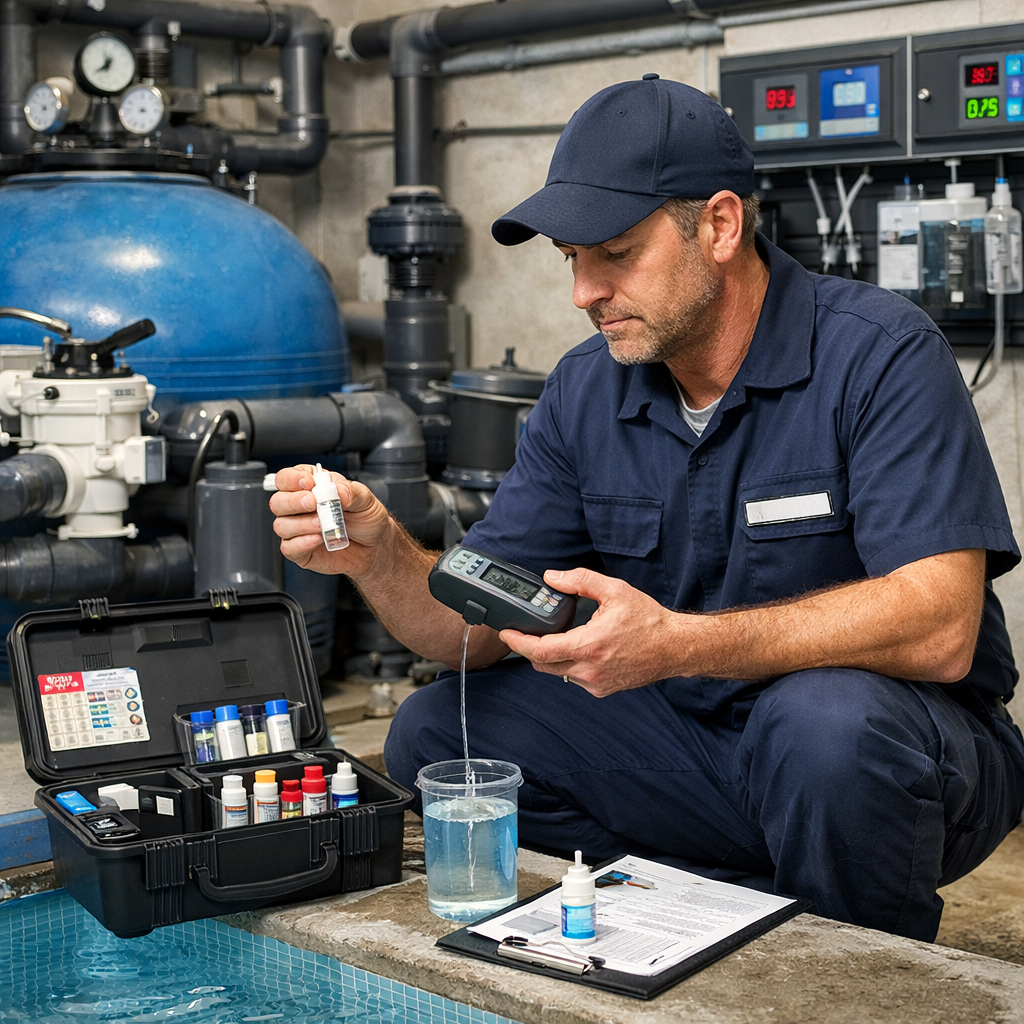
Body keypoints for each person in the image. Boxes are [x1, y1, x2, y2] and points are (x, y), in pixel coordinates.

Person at [271, 75, 1024, 941]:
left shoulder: (880, 354)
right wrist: (380, 556)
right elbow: (471, 631)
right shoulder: (584, 391)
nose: (584, 291)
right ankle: (732, 911)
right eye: (571, 258)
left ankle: (855, 962)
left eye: (616, 253)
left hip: (897, 756)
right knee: (438, 733)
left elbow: (941, 626)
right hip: (694, 751)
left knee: (822, 727)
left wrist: (677, 644)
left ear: (720, 226)